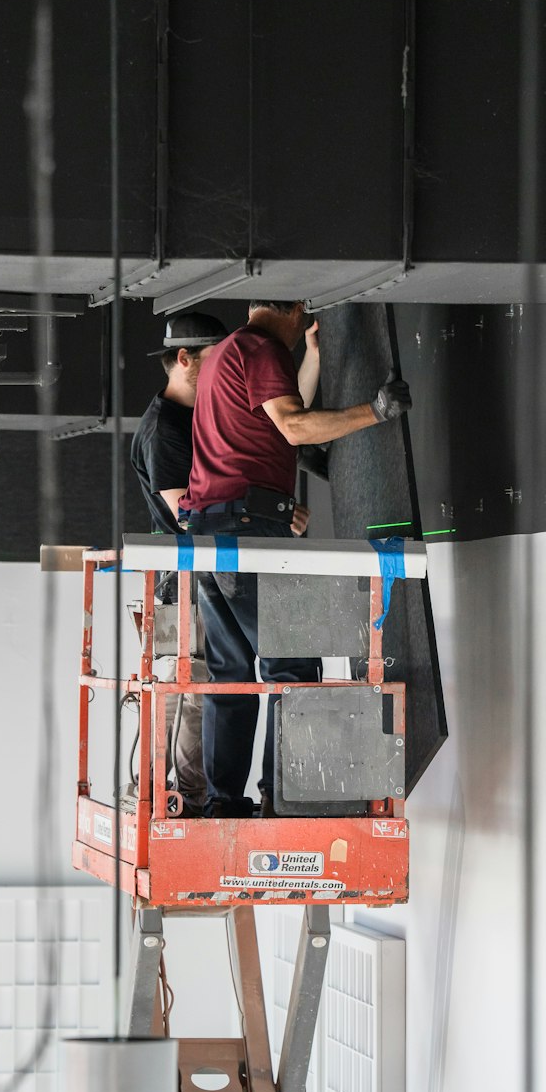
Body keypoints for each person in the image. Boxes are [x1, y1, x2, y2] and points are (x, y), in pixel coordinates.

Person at [182, 299, 412, 817]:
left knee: (233, 671)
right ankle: (284, 801)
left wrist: (310, 356)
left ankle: (224, 803)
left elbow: (285, 413)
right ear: (294, 309)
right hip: (246, 528)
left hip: (214, 527)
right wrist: (373, 412)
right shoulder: (262, 348)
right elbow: (294, 427)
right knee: (291, 665)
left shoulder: (224, 352)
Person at [130, 311, 227, 812]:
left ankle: (160, 794)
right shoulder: (165, 428)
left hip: (178, 580)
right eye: (215, 360)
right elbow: (185, 514)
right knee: (190, 685)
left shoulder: (185, 417)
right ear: (185, 359)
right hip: (182, 580)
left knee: (183, 684)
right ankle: (181, 800)